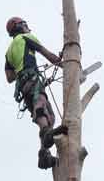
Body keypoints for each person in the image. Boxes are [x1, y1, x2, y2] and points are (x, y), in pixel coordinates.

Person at [5, 17, 63, 170]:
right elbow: (46, 53)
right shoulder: (26, 37)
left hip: (22, 86)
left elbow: (9, 78)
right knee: (41, 102)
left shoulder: (8, 52)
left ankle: (44, 154)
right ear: (20, 27)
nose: (28, 28)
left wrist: (21, 67)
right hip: (31, 78)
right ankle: (46, 132)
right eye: (25, 25)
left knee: (50, 117)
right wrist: (64, 63)